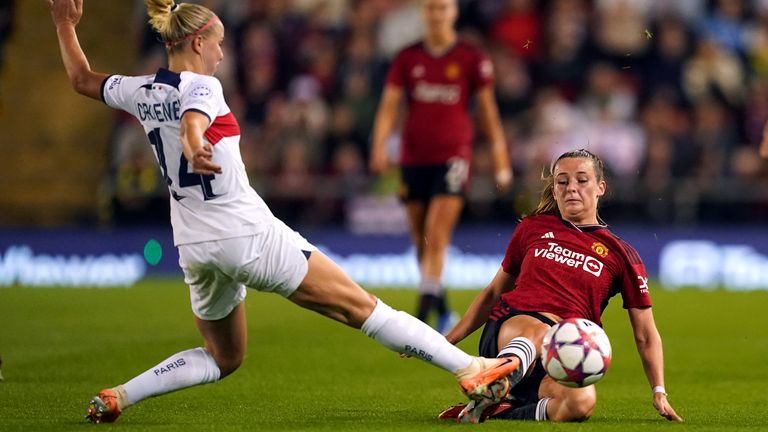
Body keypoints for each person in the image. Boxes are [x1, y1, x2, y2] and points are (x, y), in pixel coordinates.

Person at [47, 0, 521, 424]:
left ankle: (119, 397)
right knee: (365, 309)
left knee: (223, 357)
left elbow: (81, 79)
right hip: (247, 234)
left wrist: (65, 25)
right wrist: (193, 145)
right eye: (217, 44)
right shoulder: (204, 86)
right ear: (196, 41)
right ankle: (470, 368)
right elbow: (194, 119)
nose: (221, 54)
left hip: (193, 246)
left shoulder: (141, 89)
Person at [437, 149, 683, 423]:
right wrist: (447, 341)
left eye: (582, 180)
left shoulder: (621, 254)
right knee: (542, 329)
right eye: (562, 182)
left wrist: (659, 391)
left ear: (601, 187)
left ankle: (491, 411)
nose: (571, 189)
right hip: (510, 330)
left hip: (560, 356)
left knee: (581, 403)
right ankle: (499, 371)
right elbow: (495, 292)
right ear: (554, 190)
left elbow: (646, 333)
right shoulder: (533, 228)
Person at [369, 0, 512, 334]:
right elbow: (389, 106)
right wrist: (379, 147)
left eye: (442, 8)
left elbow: (488, 112)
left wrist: (500, 157)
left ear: (453, 12)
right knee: (421, 238)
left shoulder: (471, 58)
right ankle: (442, 306)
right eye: (431, 8)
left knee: (436, 231)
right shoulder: (407, 58)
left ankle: (420, 315)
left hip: (454, 156)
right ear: (424, 13)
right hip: (414, 157)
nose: (436, 14)